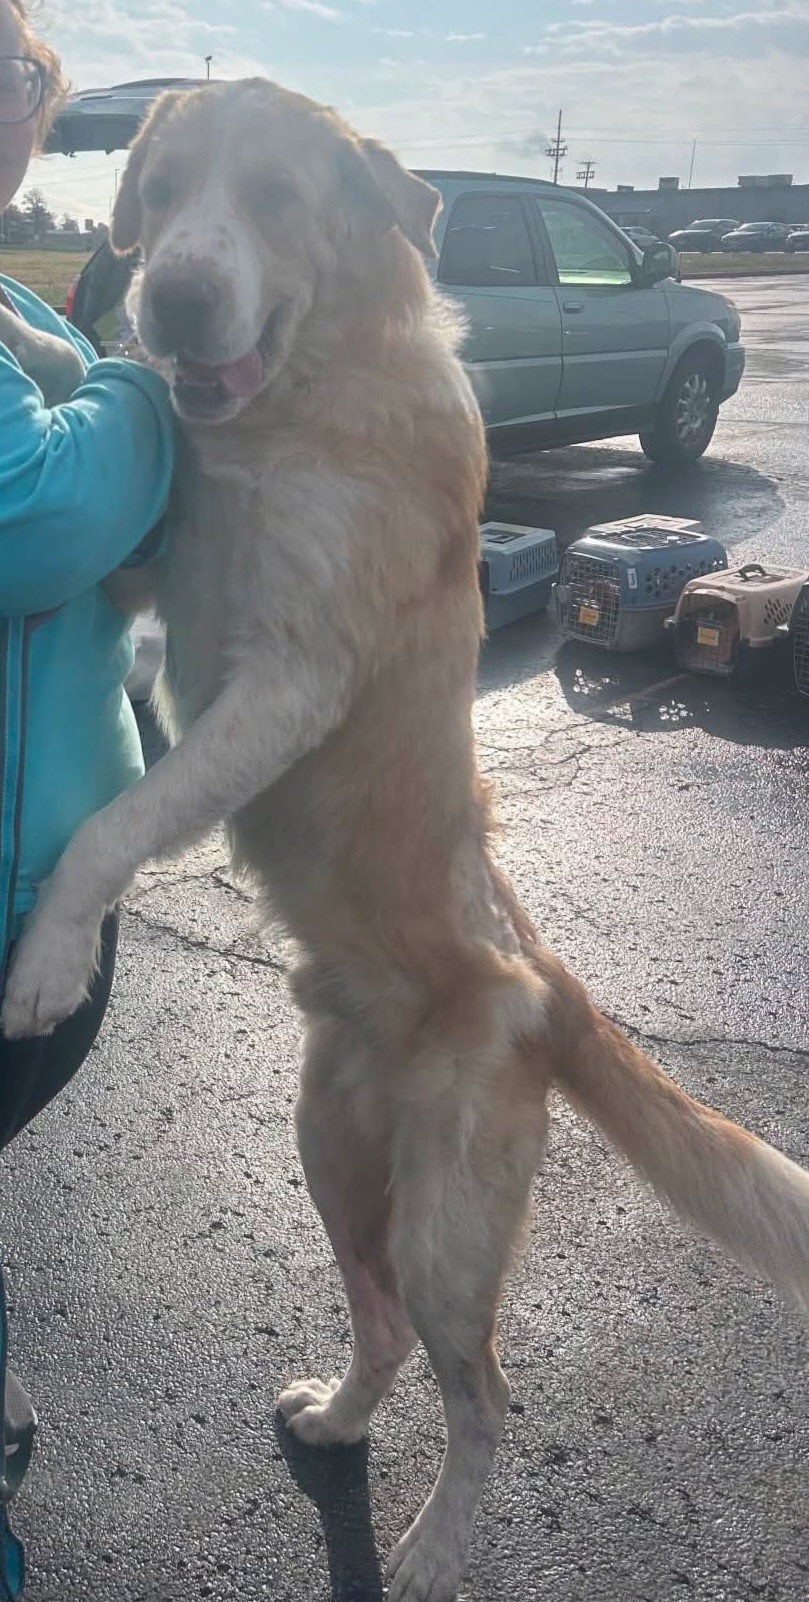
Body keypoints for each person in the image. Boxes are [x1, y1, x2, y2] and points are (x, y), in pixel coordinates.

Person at [0, 5, 175, 1594]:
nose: (15, 111)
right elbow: (42, 511)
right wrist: (136, 381)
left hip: (50, 883)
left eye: (23, 81)